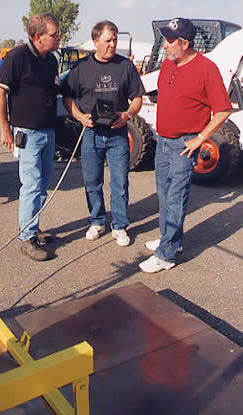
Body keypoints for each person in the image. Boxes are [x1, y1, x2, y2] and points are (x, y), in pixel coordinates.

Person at [139, 18, 232, 273]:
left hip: (184, 145)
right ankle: (171, 239)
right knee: (165, 195)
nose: (166, 45)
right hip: (163, 142)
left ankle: (166, 255)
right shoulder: (169, 65)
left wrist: (200, 138)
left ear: (185, 43)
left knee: (176, 197)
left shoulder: (206, 68)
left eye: (170, 41)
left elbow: (223, 110)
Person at [62, 21, 144, 246]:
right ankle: (97, 221)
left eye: (115, 40)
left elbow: (138, 98)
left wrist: (127, 115)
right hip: (91, 134)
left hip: (118, 134)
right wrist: (79, 117)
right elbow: (67, 97)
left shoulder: (126, 66)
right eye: (108, 40)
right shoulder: (81, 68)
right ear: (95, 41)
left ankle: (119, 225)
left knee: (120, 181)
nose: (112, 44)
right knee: (92, 182)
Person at [0, 14, 61, 261]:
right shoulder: (17, 57)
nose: (58, 38)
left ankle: (34, 227)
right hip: (27, 134)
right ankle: (26, 237)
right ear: (37, 36)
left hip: (48, 132)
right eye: (54, 34)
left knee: (42, 186)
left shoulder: (51, 60)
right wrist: (5, 129)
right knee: (31, 185)